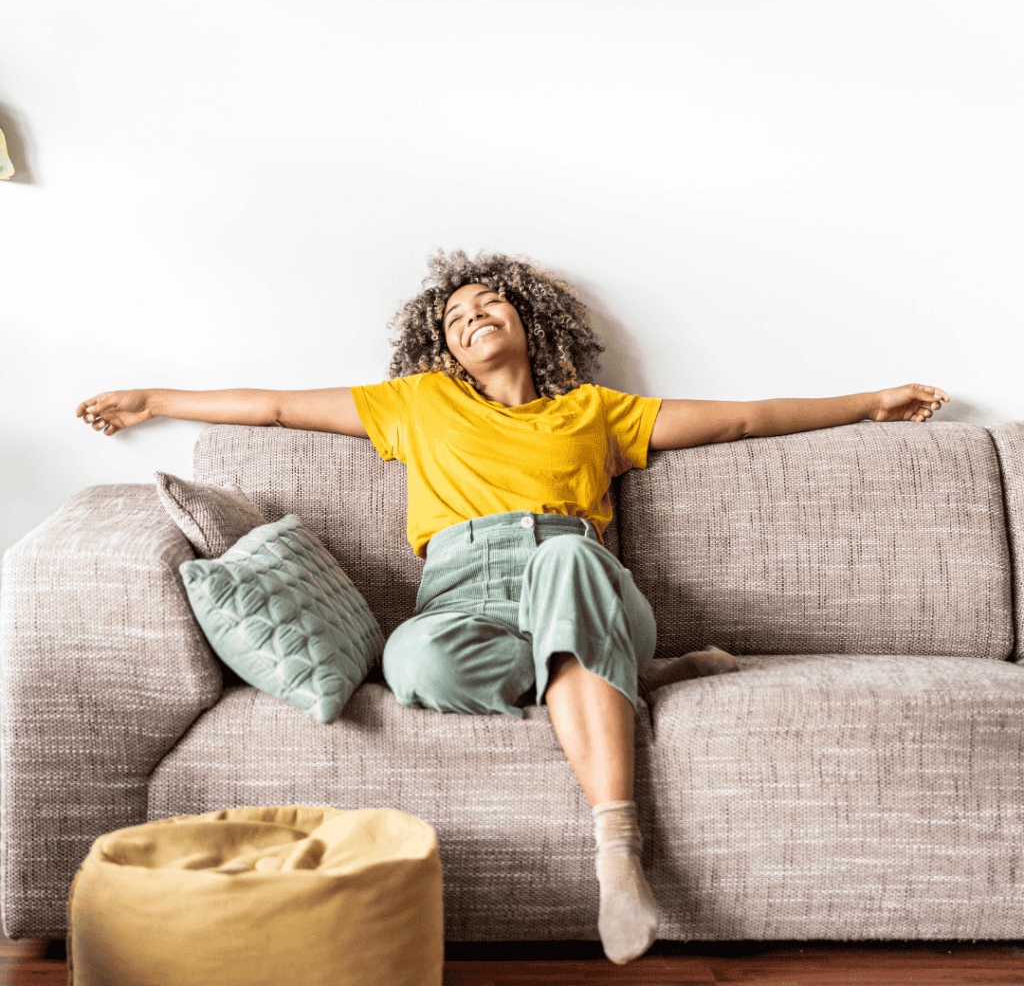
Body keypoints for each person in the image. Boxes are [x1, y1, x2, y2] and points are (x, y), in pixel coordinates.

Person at [75, 247, 950, 965]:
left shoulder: (594, 414)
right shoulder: (417, 406)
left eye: (490, 303)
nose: (473, 316)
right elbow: (268, 407)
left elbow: (745, 421)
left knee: (569, 552)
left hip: (570, 566)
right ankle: (635, 674)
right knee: (412, 662)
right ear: (445, 351)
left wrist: (871, 403)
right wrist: (153, 398)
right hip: (461, 591)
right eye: (455, 318)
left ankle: (616, 850)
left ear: (529, 323)